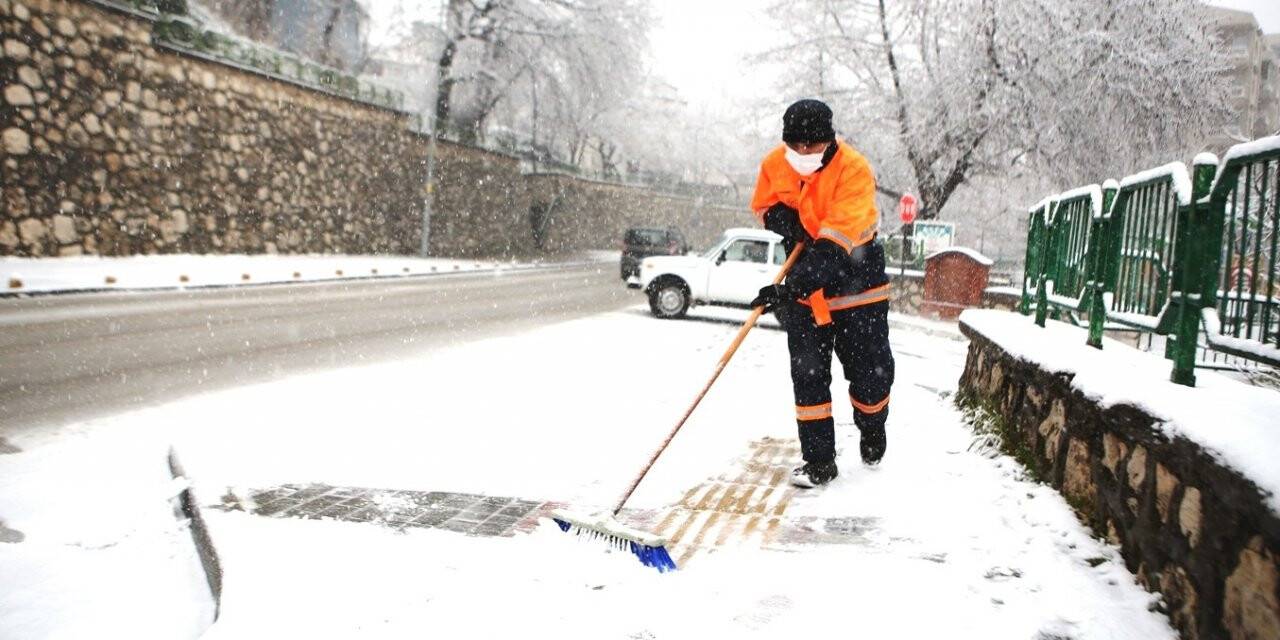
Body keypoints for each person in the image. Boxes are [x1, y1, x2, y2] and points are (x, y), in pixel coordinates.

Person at [748, 99, 895, 488]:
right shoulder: (775, 164)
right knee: (808, 377)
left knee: (870, 378)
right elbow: (763, 205)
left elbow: (834, 245)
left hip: (856, 286)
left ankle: (873, 425)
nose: (801, 152)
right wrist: (788, 221)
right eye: (794, 145)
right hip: (806, 295)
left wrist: (792, 286)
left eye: (810, 145)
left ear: (829, 141)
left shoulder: (853, 169)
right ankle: (819, 462)